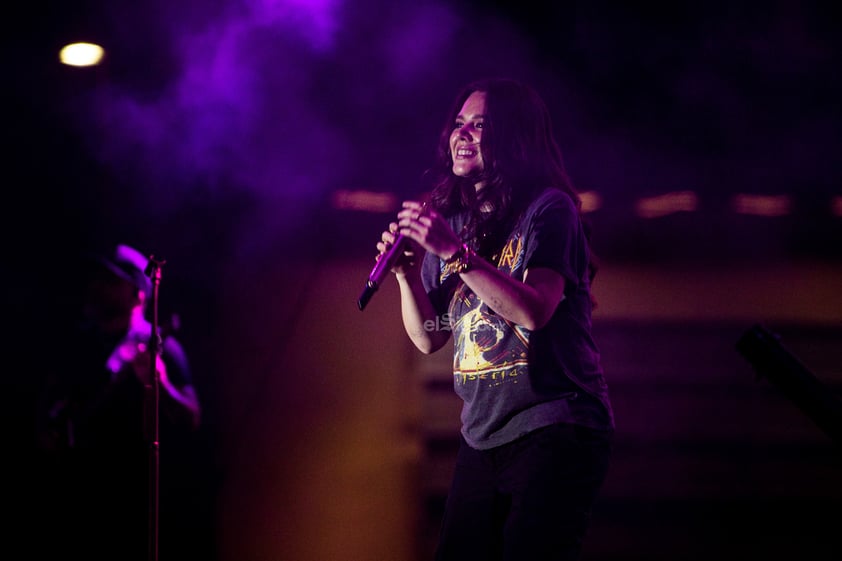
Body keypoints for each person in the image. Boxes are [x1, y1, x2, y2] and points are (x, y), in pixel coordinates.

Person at [375, 78, 615, 560]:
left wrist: (453, 253)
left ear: (513, 136)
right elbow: (430, 338)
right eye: (458, 125)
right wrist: (405, 276)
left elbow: (534, 310)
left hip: (554, 424)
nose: (461, 135)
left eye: (479, 125)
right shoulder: (454, 221)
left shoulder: (549, 209)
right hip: (482, 435)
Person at [32, 243, 202, 561]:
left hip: (133, 505)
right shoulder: (78, 346)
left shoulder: (161, 346)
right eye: (95, 279)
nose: (96, 287)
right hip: (78, 500)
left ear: (137, 294)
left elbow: (191, 418)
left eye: (110, 281)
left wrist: (161, 383)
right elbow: (48, 410)